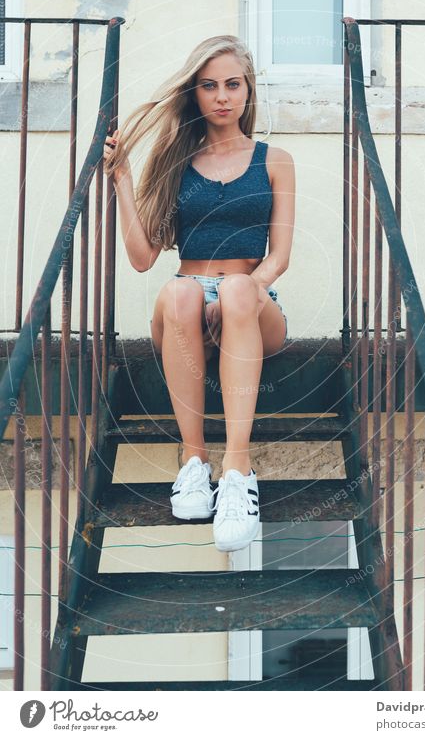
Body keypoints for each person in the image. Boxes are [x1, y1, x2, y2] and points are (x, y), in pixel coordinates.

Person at [102, 34, 295, 552]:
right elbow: (144, 258)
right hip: (187, 306)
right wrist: (121, 177)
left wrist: (242, 290)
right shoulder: (175, 163)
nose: (222, 96)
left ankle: (237, 470)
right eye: (209, 86)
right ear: (196, 94)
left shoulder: (275, 160)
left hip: (252, 303)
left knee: (232, 289)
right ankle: (193, 461)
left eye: (233, 84)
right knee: (182, 290)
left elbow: (278, 257)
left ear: (248, 90)